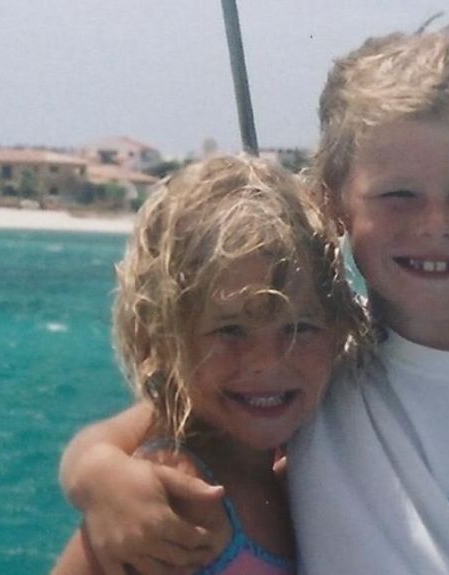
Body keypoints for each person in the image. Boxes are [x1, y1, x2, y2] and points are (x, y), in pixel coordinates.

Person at [59, 25, 449, 574]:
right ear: (333, 200)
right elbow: (143, 417)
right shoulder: (317, 349)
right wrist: (99, 477)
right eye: (399, 195)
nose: (434, 224)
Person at [50, 155, 370, 574]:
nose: (267, 361)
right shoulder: (174, 496)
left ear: (336, 328)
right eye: (231, 330)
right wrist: (96, 475)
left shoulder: (302, 457)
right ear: (162, 336)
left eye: (299, 327)